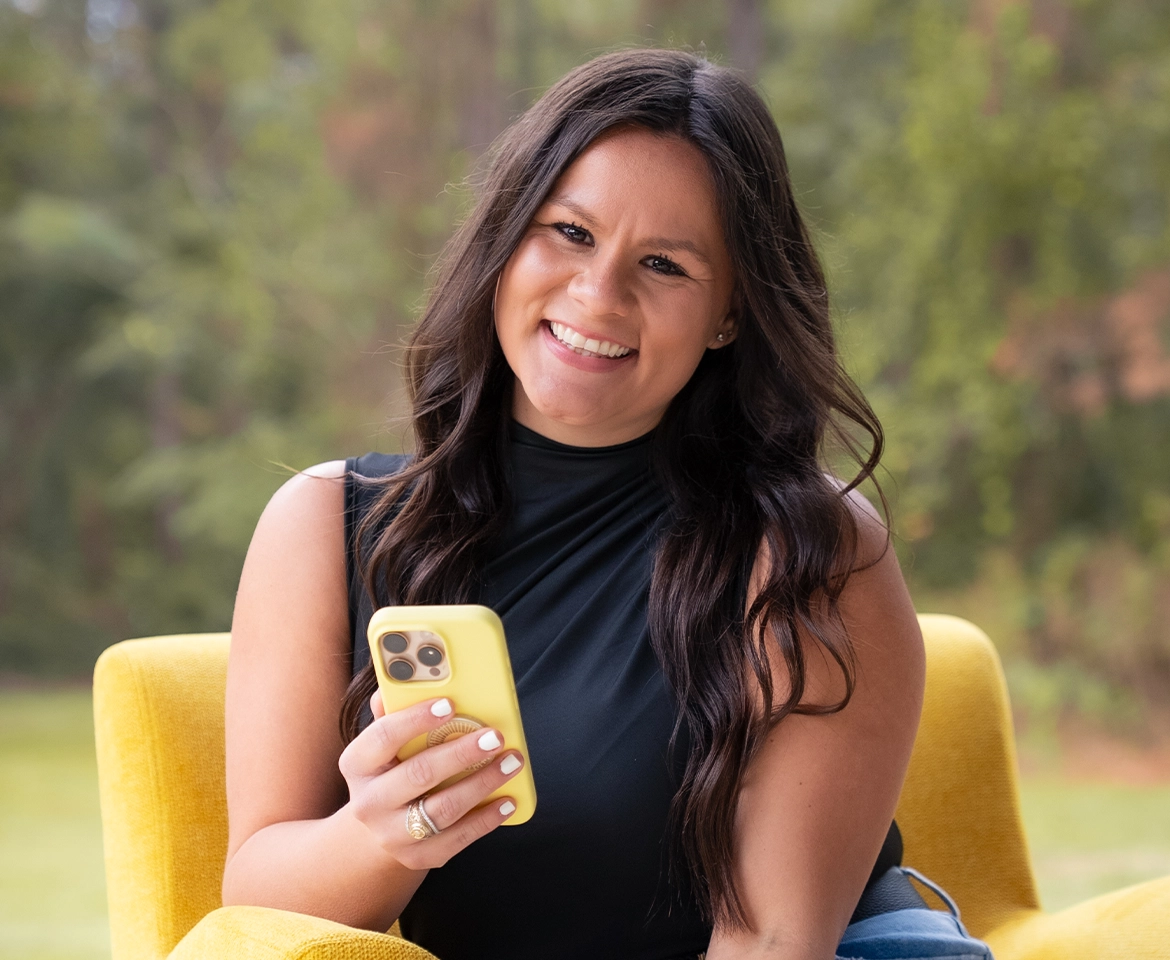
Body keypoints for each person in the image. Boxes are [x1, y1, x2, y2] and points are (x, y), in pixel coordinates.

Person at [222, 48, 993, 960]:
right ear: (506, 241)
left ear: (730, 315)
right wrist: (384, 834)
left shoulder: (806, 550)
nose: (600, 295)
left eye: (664, 264)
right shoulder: (327, 525)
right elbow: (256, 898)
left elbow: (775, 942)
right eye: (571, 233)